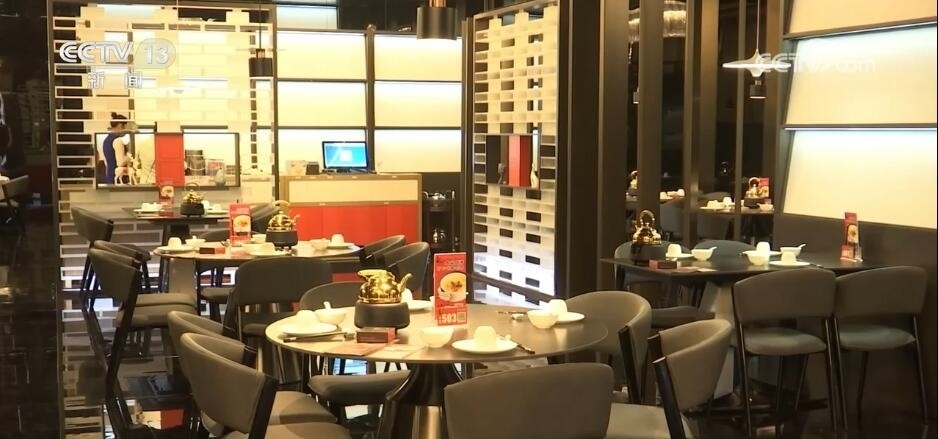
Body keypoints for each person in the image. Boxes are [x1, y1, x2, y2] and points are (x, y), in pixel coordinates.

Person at [98, 113, 131, 184]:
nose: (126, 131)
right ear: (120, 125)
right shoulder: (117, 141)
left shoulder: (106, 140)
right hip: (119, 178)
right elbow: (121, 162)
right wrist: (129, 156)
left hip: (110, 176)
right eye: (126, 127)